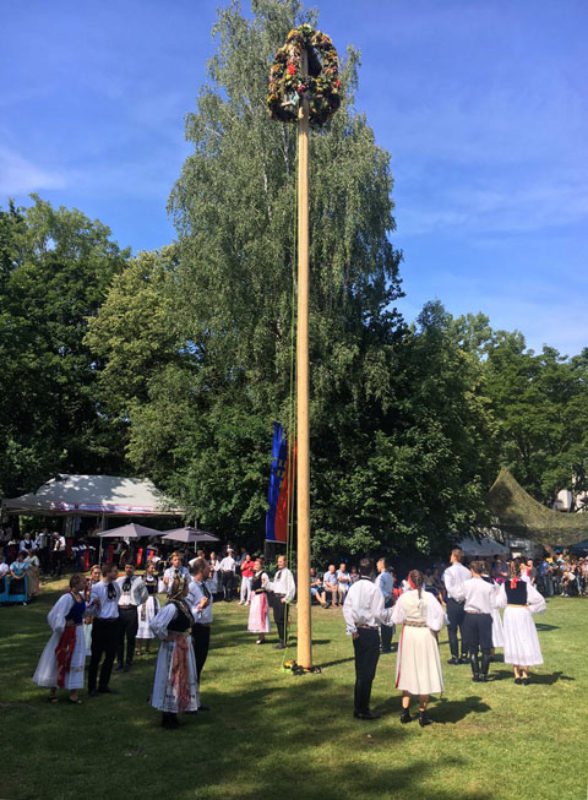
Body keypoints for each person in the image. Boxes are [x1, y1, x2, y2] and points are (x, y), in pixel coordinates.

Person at [342, 557, 395, 720]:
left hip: (358, 631)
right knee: (368, 672)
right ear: (371, 571)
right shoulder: (374, 589)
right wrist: (392, 611)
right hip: (370, 631)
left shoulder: (354, 587)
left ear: (359, 570)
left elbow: (347, 609)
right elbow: (379, 613)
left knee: (360, 670)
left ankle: (359, 706)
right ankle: (362, 708)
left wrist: (352, 629)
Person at [391, 570, 445, 727]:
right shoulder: (429, 598)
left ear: (410, 581)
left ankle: (405, 712)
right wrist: (434, 626)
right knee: (424, 670)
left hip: (410, 633)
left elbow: (396, 618)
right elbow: (440, 616)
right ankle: (422, 713)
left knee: (408, 668)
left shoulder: (404, 597)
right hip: (425, 634)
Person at [150, 577, 199, 728]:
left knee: (181, 676)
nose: (188, 589)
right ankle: (167, 715)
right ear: (181, 589)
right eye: (186, 587)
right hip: (173, 648)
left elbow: (189, 620)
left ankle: (174, 711)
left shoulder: (183, 604)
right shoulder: (172, 607)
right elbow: (156, 624)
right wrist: (166, 637)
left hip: (183, 645)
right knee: (171, 677)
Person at [32, 574, 88, 704]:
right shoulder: (67, 598)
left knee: (77, 659)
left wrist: (94, 607)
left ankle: (74, 693)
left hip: (78, 632)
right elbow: (55, 614)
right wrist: (62, 625)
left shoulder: (81, 597)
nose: (86, 584)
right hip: (67, 634)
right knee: (60, 658)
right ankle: (53, 692)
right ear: (75, 583)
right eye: (84, 582)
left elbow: (82, 614)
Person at [496, 557, 546, 684]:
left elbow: (500, 602)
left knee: (518, 640)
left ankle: (519, 673)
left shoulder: (509, 585)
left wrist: (530, 607)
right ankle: (522, 674)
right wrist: (530, 608)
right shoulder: (520, 585)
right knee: (521, 640)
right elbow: (540, 600)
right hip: (517, 613)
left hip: (513, 613)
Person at [456, 560, 496, 682]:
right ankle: (484, 674)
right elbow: (493, 603)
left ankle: (476, 674)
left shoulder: (466, 584)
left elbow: (459, 597)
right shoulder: (489, 586)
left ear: (472, 571)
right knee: (485, 647)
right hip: (484, 615)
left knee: (473, 647)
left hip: (470, 615)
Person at [87, 563, 121, 697]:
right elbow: (92, 607)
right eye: (114, 571)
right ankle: (91, 687)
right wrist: (94, 607)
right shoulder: (97, 587)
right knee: (96, 656)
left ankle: (103, 684)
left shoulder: (116, 586)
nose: (117, 573)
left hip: (114, 623)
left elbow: (116, 601)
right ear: (107, 572)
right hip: (101, 624)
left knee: (110, 656)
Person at [188, 558, 212, 709]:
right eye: (208, 567)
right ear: (201, 570)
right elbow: (188, 611)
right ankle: (190, 701)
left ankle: (195, 700)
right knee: (194, 665)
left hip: (206, 628)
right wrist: (200, 606)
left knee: (199, 665)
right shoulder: (191, 587)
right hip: (196, 628)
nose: (210, 569)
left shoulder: (204, 585)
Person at [115, 562, 147, 672]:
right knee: (119, 637)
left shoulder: (139, 581)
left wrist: (136, 602)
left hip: (131, 610)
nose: (128, 569)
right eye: (127, 567)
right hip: (120, 610)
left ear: (134, 569)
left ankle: (129, 661)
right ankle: (119, 661)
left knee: (130, 637)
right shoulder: (119, 581)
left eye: (131, 567)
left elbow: (144, 596)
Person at [442, 548, 471, 665]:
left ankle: (455, 656)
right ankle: (464, 655)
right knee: (464, 630)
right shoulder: (467, 571)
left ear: (454, 556)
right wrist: (462, 596)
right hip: (464, 601)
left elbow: (448, 587)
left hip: (454, 601)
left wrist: (457, 597)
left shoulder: (448, 571)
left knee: (452, 630)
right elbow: (468, 586)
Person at [267, 555, 296, 649]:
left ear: (285, 562)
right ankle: (281, 639)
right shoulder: (277, 573)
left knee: (282, 620)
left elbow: (291, 587)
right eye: (278, 561)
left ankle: (283, 641)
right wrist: (266, 583)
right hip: (276, 598)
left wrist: (287, 598)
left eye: (280, 561)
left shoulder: (288, 573)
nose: (278, 563)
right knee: (277, 620)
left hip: (282, 599)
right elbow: (275, 586)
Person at [136, 560, 161, 656]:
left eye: (154, 567)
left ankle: (147, 648)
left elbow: (160, 589)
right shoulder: (141, 578)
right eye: (152, 567)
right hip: (144, 603)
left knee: (151, 623)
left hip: (153, 602)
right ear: (147, 568)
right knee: (142, 624)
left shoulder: (156, 578)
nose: (153, 569)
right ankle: (138, 648)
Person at [248, 558, 270, 643]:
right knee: (256, 615)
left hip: (261, 596)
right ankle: (260, 635)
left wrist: (261, 589)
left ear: (261, 565)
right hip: (255, 597)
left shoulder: (263, 574)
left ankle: (261, 636)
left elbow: (266, 585)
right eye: (255, 565)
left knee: (261, 615)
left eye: (257, 565)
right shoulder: (255, 574)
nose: (255, 566)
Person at [375, 558, 394, 654]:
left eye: (378, 564)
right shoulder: (390, 576)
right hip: (389, 600)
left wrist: (387, 595)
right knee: (388, 623)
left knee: (382, 623)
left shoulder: (381, 577)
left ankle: (383, 645)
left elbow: (379, 590)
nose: (376, 566)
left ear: (382, 564)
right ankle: (387, 645)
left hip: (383, 601)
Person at [83, 565, 102, 656]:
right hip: (86, 612)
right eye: (95, 573)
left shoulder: (102, 585)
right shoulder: (86, 584)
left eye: (99, 573)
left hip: (97, 613)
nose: (97, 575)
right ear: (91, 573)